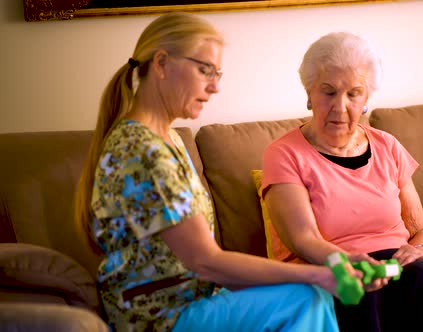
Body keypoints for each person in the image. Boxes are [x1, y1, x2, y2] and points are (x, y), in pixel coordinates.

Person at [75, 12, 341, 332]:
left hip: (191, 300)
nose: (215, 87)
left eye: (218, 74)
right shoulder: (141, 151)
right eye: (205, 71)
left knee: (310, 295)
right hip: (158, 319)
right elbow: (207, 262)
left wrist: (324, 271)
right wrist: (316, 272)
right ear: (161, 64)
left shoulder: (166, 138)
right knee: (306, 297)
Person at [261, 32, 423, 332]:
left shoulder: (387, 145)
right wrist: (351, 264)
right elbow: (303, 239)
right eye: (328, 92)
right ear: (309, 93)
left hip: (395, 266)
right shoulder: (284, 154)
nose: (341, 106)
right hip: (327, 269)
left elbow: (421, 229)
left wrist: (422, 251)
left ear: (366, 99)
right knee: (358, 292)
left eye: (353, 93)